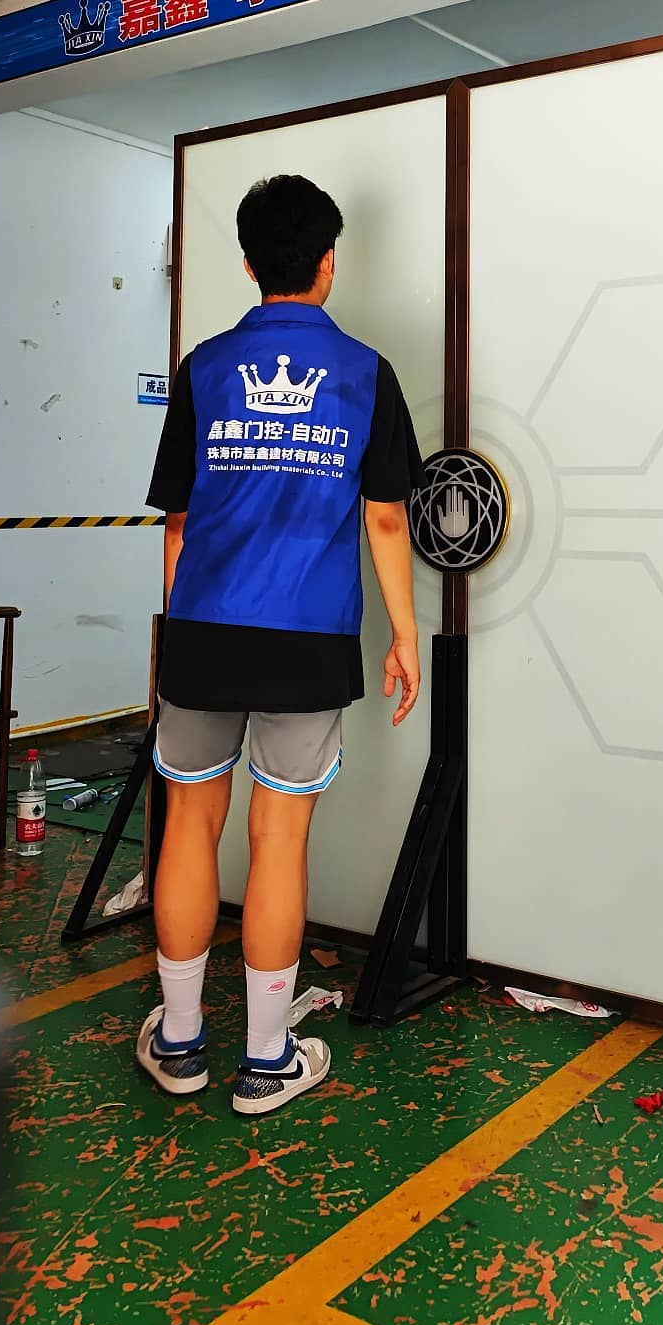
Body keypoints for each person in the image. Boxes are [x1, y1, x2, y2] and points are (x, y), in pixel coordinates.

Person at [137, 174, 424, 1116]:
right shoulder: (367, 373)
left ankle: (180, 1042)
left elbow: (178, 524)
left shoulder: (204, 368)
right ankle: (267, 1059)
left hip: (204, 629)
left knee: (189, 825)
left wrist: (181, 633)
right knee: (279, 836)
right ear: (327, 263)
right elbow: (386, 520)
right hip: (307, 634)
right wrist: (404, 636)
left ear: (250, 264)